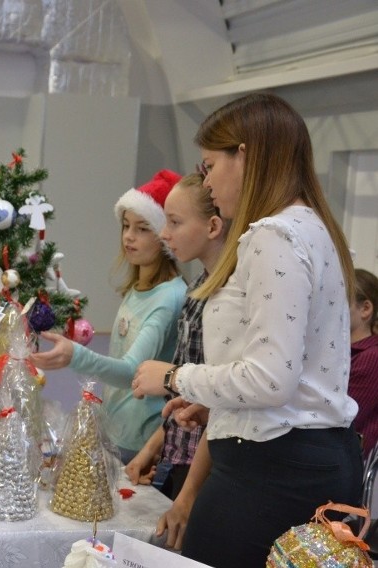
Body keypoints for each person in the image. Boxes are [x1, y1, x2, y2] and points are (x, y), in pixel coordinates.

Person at [132, 92, 361, 568]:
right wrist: (218, 400)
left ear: (246, 155)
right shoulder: (312, 226)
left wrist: (175, 377)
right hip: (308, 460)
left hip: (271, 473)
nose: (208, 181)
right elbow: (291, 375)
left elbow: (270, 380)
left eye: (210, 164)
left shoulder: (272, 234)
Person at [30, 170, 187, 463]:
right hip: (116, 428)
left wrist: (74, 356)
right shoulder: (138, 288)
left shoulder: (169, 298)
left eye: (143, 229)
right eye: (126, 226)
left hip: (138, 438)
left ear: (165, 234)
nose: (129, 236)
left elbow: (132, 372)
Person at [125, 172, 227, 499]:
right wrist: (153, 448)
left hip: (207, 467)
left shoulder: (227, 296)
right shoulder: (197, 287)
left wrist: (186, 498)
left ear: (213, 227)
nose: (164, 234)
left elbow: (220, 399)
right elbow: (181, 400)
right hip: (178, 454)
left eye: (174, 222)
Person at [349, 267, 378, 456]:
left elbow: (346, 417)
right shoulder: (344, 352)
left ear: (365, 309)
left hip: (351, 461)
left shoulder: (371, 356)